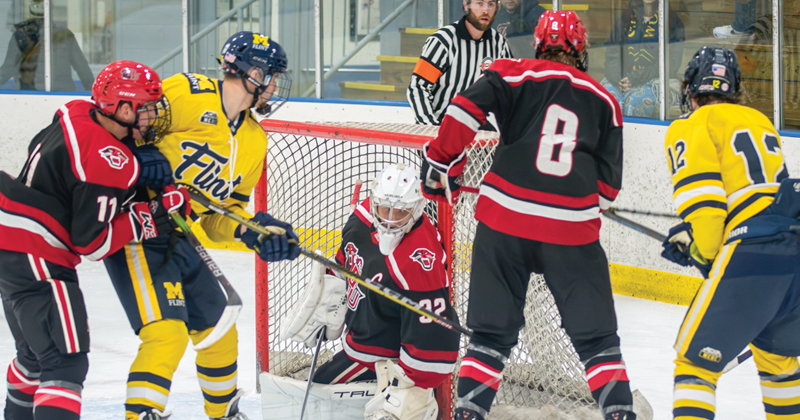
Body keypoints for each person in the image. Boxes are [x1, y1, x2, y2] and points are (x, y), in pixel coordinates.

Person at [420, 10, 637, 420]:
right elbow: (607, 191)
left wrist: (438, 160)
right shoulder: (605, 100)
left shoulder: (512, 73)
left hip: (503, 223)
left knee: (489, 338)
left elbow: (463, 109)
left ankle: (469, 412)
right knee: (597, 343)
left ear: (538, 44)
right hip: (570, 233)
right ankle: (620, 414)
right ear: (581, 49)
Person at [102, 31, 297, 420]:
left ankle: (224, 413)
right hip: (138, 228)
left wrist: (250, 231)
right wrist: (138, 157)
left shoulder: (255, 140)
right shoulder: (186, 93)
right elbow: (120, 124)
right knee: (167, 334)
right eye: (272, 76)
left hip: (181, 234)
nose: (275, 86)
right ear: (251, 73)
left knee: (221, 326)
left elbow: (216, 217)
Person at [0, 60, 189, 420]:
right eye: (145, 108)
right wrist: (147, 217)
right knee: (65, 364)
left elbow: (75, 184)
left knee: (33, 359)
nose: (152, 117)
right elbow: (93, 243)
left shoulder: (76, 112)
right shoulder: (112, 159)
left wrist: (128, 187)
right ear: (120, 108)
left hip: (10, 242)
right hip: (37, 253)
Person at [660, 46, 800, 420]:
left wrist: (700, 251)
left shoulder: (689, 126)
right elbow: (761, 197)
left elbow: (707, 211)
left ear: (690, 88)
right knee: (779, 364)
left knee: (694, 366)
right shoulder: (760, 121)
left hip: (751, 251)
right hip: (792, 251)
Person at [281, 164, 460, 420]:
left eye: (400, 212)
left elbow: (433, 339)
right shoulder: (363, 216)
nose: (388, 218)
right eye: (384, 208)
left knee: (316, 402)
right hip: (362, 341)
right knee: (315, 391)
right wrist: (332, 290)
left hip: (386, 356)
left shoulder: (420, 258)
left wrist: (412, 385)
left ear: (417, 209)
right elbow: (347, 260)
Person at [407, 0, 512, 126]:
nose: (486, 10)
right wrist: (430, 127)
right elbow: (418, 87)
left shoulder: (498, 42)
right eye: (479, 3)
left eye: (491, 4)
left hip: (476, 129)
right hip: (440, 126)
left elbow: (507, 88)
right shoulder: (443, 40)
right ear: (466, 6)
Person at [601, 0, 684, 117]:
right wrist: (621, 79)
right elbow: (612, 56)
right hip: (622, 80)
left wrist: (635, 79)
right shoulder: (624, 19)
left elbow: (671, 63)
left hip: (656, 82)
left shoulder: (671, 22)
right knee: (608, 99)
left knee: (635, 102)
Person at [0, 1, 93, 91]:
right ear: (52, 11)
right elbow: (82, 68)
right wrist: (93, 92)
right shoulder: (65, 35)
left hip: (29, 94)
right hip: (63, 94)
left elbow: (8, 68)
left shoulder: (20, 36)